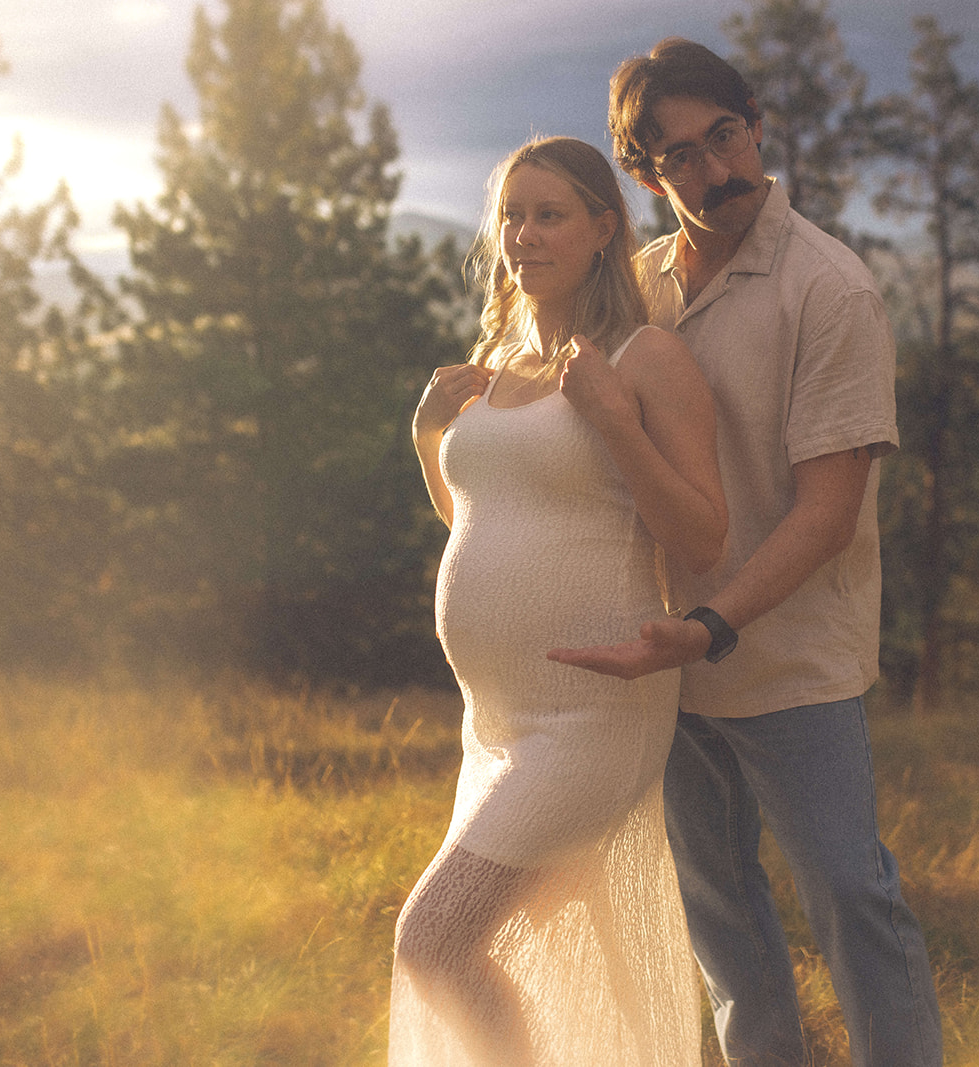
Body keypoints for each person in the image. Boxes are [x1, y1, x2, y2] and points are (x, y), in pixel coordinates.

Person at [549, 38, 944, 1066]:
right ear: (644, 174)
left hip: (788, 661)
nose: (714, 169)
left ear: (756, 125)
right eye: (679, 155)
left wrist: (711, 624)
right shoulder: (632, 291)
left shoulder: (829, 291)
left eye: (722, 137)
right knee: (726, 925)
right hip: (664, 669)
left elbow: (825, 512)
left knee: (852, 899)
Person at [389, 135, 726, 1067]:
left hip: (592, 709)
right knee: (502, 953)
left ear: (602, 231)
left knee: (434, 939)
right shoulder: (493, 358)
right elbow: (478, 522)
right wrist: (428, 437)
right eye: (511, 214)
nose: (523, 234)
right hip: (495, 720)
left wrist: (616, 418)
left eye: (549, 214)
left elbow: (704, 535)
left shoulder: (645, 356)